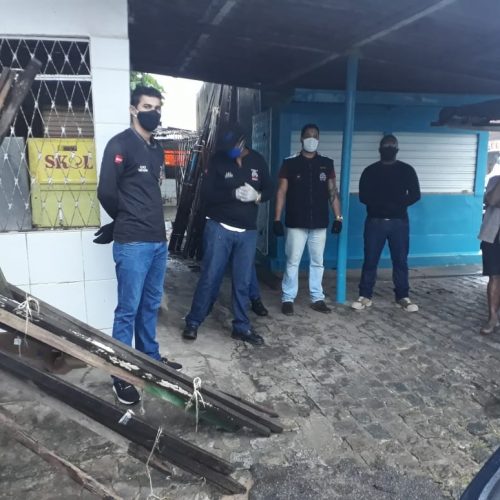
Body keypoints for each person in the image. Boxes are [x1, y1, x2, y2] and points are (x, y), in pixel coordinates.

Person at [96, 85, 181, 406]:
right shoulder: (120, 144)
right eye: (147, 107)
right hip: (132, 242)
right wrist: (122, 220)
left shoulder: (156, 149)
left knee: (150, 305)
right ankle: (121, 374)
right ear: (133, 110)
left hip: (158, 241)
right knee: (127, 310)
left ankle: (150, 359)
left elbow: (149, 191)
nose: (153, 113)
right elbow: (106, 191)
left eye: (157, 108)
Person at [182, 123, 273, 345]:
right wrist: (232, 193)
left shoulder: (258, 161)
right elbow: (207, 194)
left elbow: (270, 189)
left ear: (242, 142)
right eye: (227, 148)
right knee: (210, 276)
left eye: (234, 146)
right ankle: (194, 321)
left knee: (242, 281)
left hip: (247, 232)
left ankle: (241, 326)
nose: (231, 151)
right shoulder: (218, 160)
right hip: (219, 228)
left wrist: (257, 196)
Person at [273, 123, 342, 316]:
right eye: (308, 135)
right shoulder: (289, 163)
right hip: (296, 222)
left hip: (319, 222)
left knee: (318, 262)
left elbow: (333, 191)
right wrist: (276, 219)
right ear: (301, 138)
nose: (312, 139)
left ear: (318, 139)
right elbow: (281, 191)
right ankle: (288, 298)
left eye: (315, 135)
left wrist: (338, 217)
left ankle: (317, 298)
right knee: (292, 261)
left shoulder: (327, 163)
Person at [351, 134, 420, 312]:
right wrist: (381, 205)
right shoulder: (370, 171)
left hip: (399, 222)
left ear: (397, 149)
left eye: (392, 145)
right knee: (370, 260)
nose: (389, 148)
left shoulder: (407, 170)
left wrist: (398, 204)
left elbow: (415, 194)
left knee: (400, 260)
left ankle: (402, 296)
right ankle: (365, 296)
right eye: (386, 145)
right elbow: (363, 196)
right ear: (380, 149)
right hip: (375, 222)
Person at [478, 175, 500, 335]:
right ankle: (493, 317)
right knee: (494, 277)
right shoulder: (494, 180)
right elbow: (491, 200)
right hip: (492, 236)